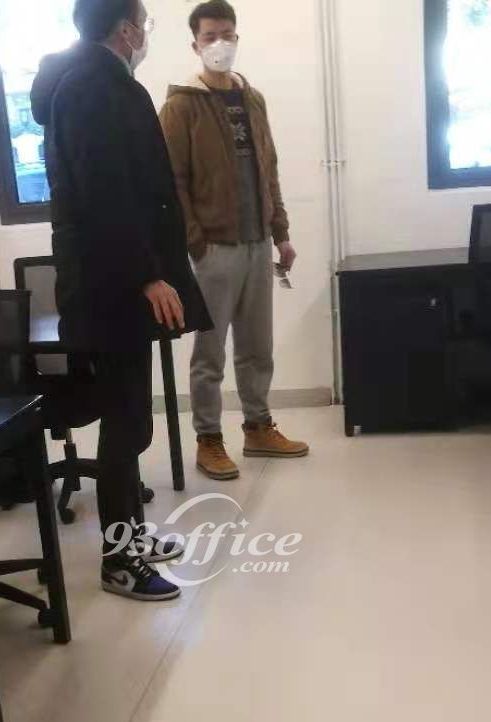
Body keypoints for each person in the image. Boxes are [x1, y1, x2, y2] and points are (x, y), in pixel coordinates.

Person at [31, 0, 212, 601]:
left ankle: (131, 534)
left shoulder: (97, 81)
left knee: (130, 418)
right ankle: (118, 561)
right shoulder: (91, 88)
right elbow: (106, 194)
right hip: (111, 288)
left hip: (114, 282)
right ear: (125, 29)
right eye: (144, 23)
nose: (146, 33)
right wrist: (147, 276)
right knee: (124, 420)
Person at [159, 0, 309, 482]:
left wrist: (281, 233)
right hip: (214, 250)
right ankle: (208, 439)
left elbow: (270, 168)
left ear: (237, 38)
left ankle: (258, 427)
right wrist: (196, 243)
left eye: (227, 34)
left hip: (257, 244)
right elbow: (172, 183)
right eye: (210, 36)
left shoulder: (253, 99)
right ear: (195, 44)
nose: (220, 44)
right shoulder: (181, 106)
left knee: (257, 346)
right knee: (210, 354)